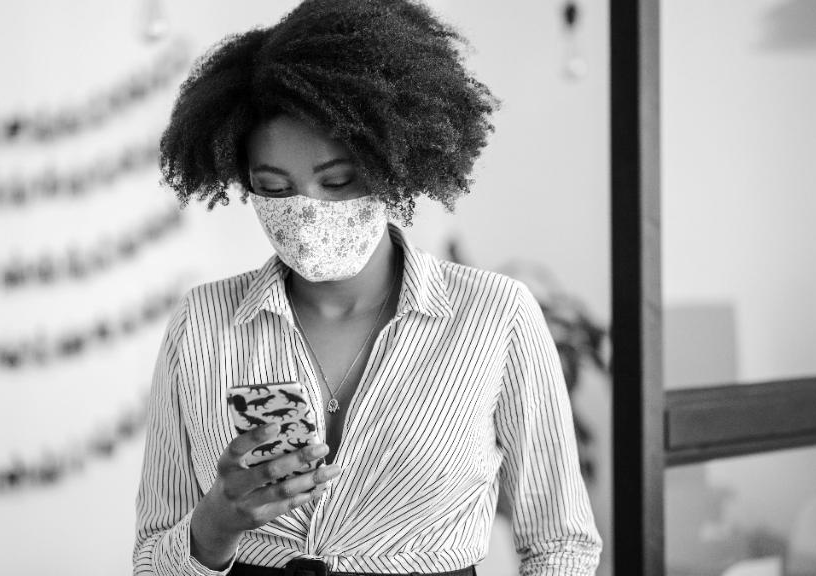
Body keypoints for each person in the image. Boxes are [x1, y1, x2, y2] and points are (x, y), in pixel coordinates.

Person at [133, 0, 602, 574]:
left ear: (392, 165)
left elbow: (562, 545)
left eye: (338, 180)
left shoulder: (496, 315)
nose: (309, 211)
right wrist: (214, 525)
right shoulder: (202, 323)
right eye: (274, 187)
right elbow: (150, 562)